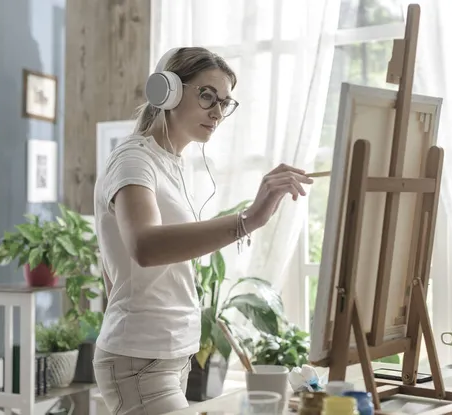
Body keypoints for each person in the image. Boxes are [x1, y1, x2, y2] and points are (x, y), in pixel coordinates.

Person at [92, 46, 313, 415]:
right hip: (139, 359)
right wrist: (248, 220)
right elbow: (144, 247)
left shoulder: (171, 165)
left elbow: (116, 271)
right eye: (207, 95)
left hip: (165, 357)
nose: (217, 112)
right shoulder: (134, 160)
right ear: (167, 91)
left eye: (225, 102)